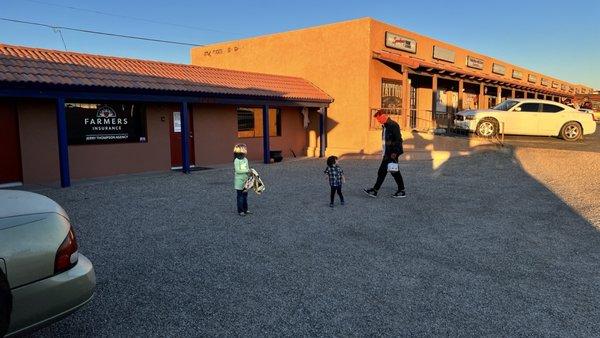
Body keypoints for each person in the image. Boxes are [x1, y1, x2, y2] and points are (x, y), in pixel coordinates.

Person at [363, 110, 406, 198]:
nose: (378, 121)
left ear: (384, 116)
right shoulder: (385, 126)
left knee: (393, 171)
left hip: (392, 153)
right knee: (383, 172)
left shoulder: (393, 125)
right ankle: (375, 190)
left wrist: (394, 152)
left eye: (379, 119)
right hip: (387, 153)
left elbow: (398, 140)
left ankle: (401, 191)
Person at [233, 143, 252, 216]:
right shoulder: (237, 160)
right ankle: (240, 211)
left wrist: (250, 173)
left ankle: (245, 209)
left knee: (245, 196)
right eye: (244, 149)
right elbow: (237, 171)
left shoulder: (245, 159)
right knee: (240, 196)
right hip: (239, 181)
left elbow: (247, 168)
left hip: (245, 180)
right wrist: (247, 171)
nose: (246, 150)